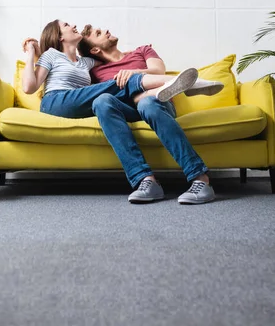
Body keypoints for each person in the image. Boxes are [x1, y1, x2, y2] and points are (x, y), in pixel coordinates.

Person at [76, 25, 222, 205]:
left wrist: (134, 73)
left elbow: (159, 71)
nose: (105, 30)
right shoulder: (95, 72)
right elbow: (70, 72)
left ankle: (201, 180)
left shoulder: (142, 51)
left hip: (157, 104)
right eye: (98, 34)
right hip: (128, 111)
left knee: (146, 103)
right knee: (101, 101)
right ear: (95, 49)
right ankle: (146, 181)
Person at [22, 19, 204, 121]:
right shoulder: (52, 55)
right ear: (59, 37)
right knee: (120, 82)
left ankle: (166, 88)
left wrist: (132, 55)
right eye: (67, 25)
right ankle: (187, 83)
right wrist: (32, 53)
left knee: (117, 85)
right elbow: (29, 87)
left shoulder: (86, 63)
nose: (73, 26)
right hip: (55, 102)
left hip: (77, 105)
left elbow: (112, 59)